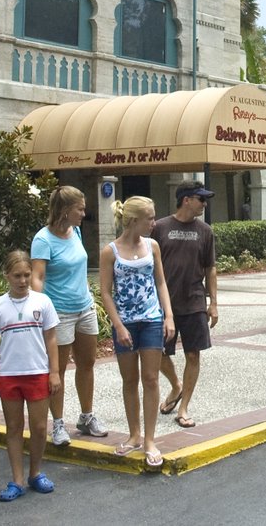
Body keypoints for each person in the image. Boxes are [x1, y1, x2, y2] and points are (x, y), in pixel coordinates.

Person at [0, 250, 60, 501]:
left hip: (38, 373)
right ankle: (17, 480)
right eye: (17, 276)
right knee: (14, 428)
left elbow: (51, 338)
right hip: (10, 375)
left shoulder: (42, 302)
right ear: (6, 276)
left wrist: (54, 372)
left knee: (40, 427)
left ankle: (36, 473)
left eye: (27, 275)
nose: (22, 281)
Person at [99, 197, 175, 468]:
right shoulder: (110, 251)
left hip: (152, 319)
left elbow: (161, 282)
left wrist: (168, 316)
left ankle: (151, 439)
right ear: (133, 220)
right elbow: (105, 291)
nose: (154, 223)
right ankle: (134, 434)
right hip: (126, 323)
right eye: (150, 218)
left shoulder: (152, 246)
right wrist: (118, 325)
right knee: (129, 380)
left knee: (151, 379)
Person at [30, 185, 107, 446]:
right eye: (80, 209)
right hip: (58, 313)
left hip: (84, 308)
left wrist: (88, 295)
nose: (84, 214)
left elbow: (80, 267)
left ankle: (86, 418)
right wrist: (40, 311)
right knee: (57, 371)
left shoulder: (76, 232)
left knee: (87, 365)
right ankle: (59, 424)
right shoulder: (43, 239)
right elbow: (37, 278)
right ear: (65, 210)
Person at [156, 180, 218, 430]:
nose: (204, 203)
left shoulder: (205, 231)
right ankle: (176, 386)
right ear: (186, 200)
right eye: (201, 198)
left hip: (193, 301)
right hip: (163, 304)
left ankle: (183, 408)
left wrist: (213, 303)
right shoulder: (159, 227)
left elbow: (210, 268)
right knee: (158, 352)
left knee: (193, 353)